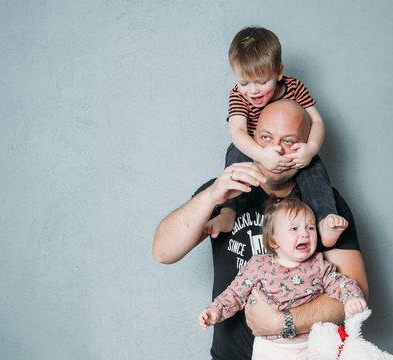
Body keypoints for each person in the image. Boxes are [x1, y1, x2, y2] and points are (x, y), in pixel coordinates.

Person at [152, 99, 368, 360]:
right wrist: (211, 196)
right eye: (266, 137)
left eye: (289, 141)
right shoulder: (224, 191)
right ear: (251, 138)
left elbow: (356, 293)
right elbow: (163, 251)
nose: (276, 150)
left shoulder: (325, 205)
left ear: (307, 146)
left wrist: (282, 322)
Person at [209, 26, 347, 249]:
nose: (252, 91)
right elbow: (237, 132)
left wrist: (310, 149)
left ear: (279, 72)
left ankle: (324, 220)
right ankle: (228, 212)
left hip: (290, 152)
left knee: (315, 169)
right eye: (244, 83)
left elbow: (318, 122)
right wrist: (261, 155)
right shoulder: (237, 94)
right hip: (254, 148)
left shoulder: (294, 87)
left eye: (262, 82)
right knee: (234, 156)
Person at [198, 197, 367, 360]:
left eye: (310, 228)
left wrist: (352, 297)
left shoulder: (318, 264)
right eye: (294, 229)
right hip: (270, 348)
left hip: (311, 345)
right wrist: (215, 311)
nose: (305, 234)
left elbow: (341, 283)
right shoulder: (258, 265)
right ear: (273, 240)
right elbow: (235, 293)